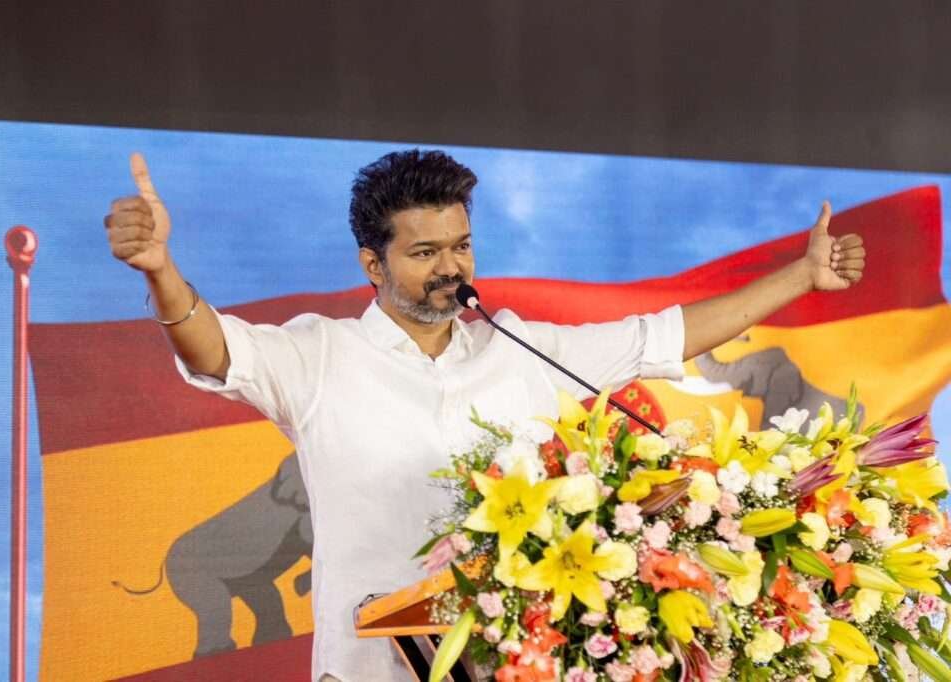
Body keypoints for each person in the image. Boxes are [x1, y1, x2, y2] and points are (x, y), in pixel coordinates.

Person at [104, 149, 865, 681]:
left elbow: (662, 337)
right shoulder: (319, 355)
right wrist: (163, 272)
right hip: (367, 669)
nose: (451, 268)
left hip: (508, 665)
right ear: (372, 264)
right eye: (424, 253)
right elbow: (216, 350)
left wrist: (801, 276)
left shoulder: (519, 350)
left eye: (462, 246)